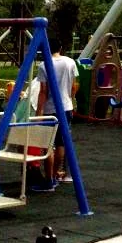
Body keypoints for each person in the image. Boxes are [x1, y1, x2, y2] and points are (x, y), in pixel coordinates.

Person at [35, 37, 79, 190]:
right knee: (61, 143)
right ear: (60, 48)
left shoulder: (43, 65)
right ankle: (54, 175)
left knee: (48, 145)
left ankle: (49, 180)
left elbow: (43, 91)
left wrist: (39, 111)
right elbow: (74, 86)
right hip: (65, 107)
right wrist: (71, 101)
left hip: (50, 109)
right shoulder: (70, 62)